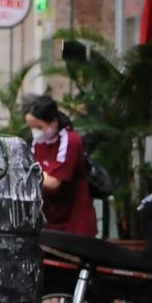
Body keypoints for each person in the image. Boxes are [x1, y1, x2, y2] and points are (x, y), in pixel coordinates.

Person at [24, 96, 96, 237]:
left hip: (74, 220)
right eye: (31, 127)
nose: (35, 131)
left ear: (54, 123)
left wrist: (31, 173)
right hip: (50, 218)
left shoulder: (70, 141)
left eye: (39, 127)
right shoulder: (38, 143)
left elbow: (54, 183)